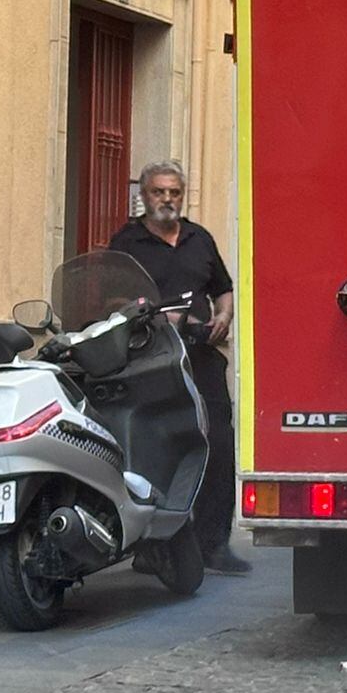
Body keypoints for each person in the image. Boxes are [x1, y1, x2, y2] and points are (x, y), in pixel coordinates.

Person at [105, 161, 244, 574]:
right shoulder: (127, 241)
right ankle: (152, 548)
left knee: (218, 443)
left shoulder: (200, 238)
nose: (167, 200)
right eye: (159, 192)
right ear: (144, 196)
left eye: (174, 192)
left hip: (200, 355)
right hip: (148, 360)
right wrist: (151, 315)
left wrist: (224, 317)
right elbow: (109, 299)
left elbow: (223, 288)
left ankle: (215, 544)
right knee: (156, 448)